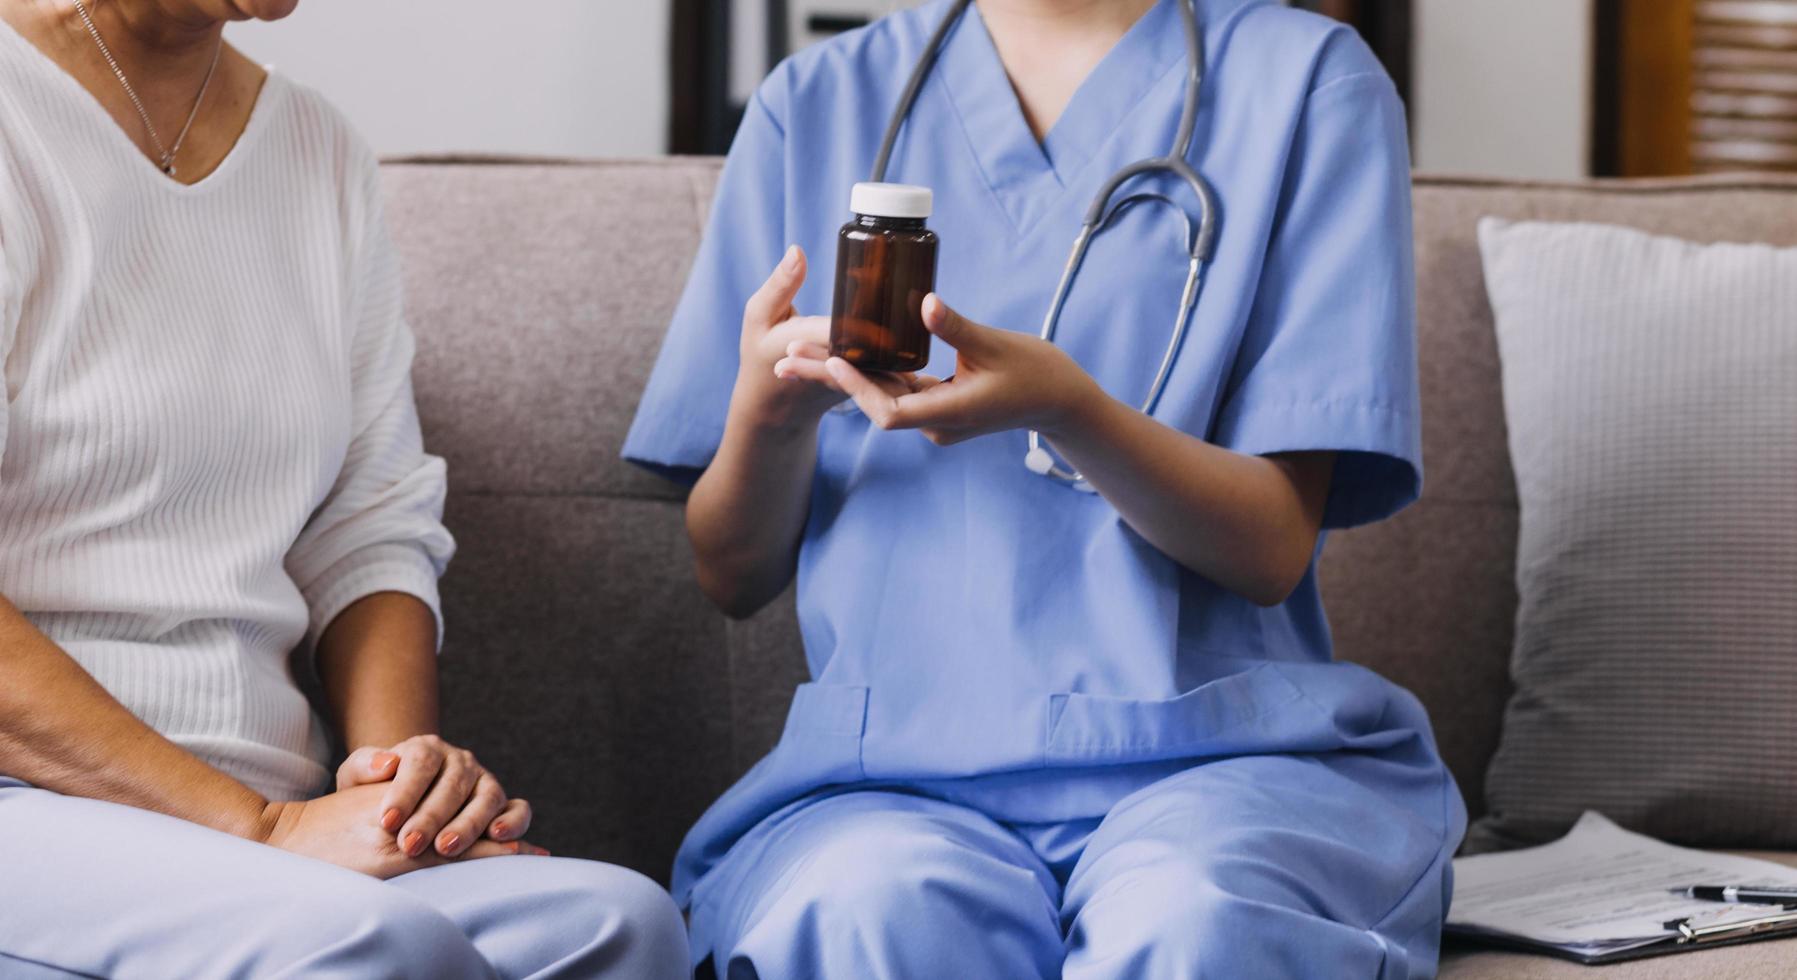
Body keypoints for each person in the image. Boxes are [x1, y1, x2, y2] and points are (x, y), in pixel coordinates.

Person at [624, 0, 1467, 976]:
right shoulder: (816, 100)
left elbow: (1271, 547)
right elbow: (730, 571)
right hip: (890, 774)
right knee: (867, 911)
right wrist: (769, 418)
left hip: (1212, 765)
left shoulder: (1312, 83)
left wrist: (1072, 408)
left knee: (1197, 922)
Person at [0, 1, 686, 976]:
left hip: (263, 812)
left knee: (613, 922)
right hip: (35, 806)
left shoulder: (316, 151)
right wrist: (264, 825)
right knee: (375, 945)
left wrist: (398, 783)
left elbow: (369, 526)